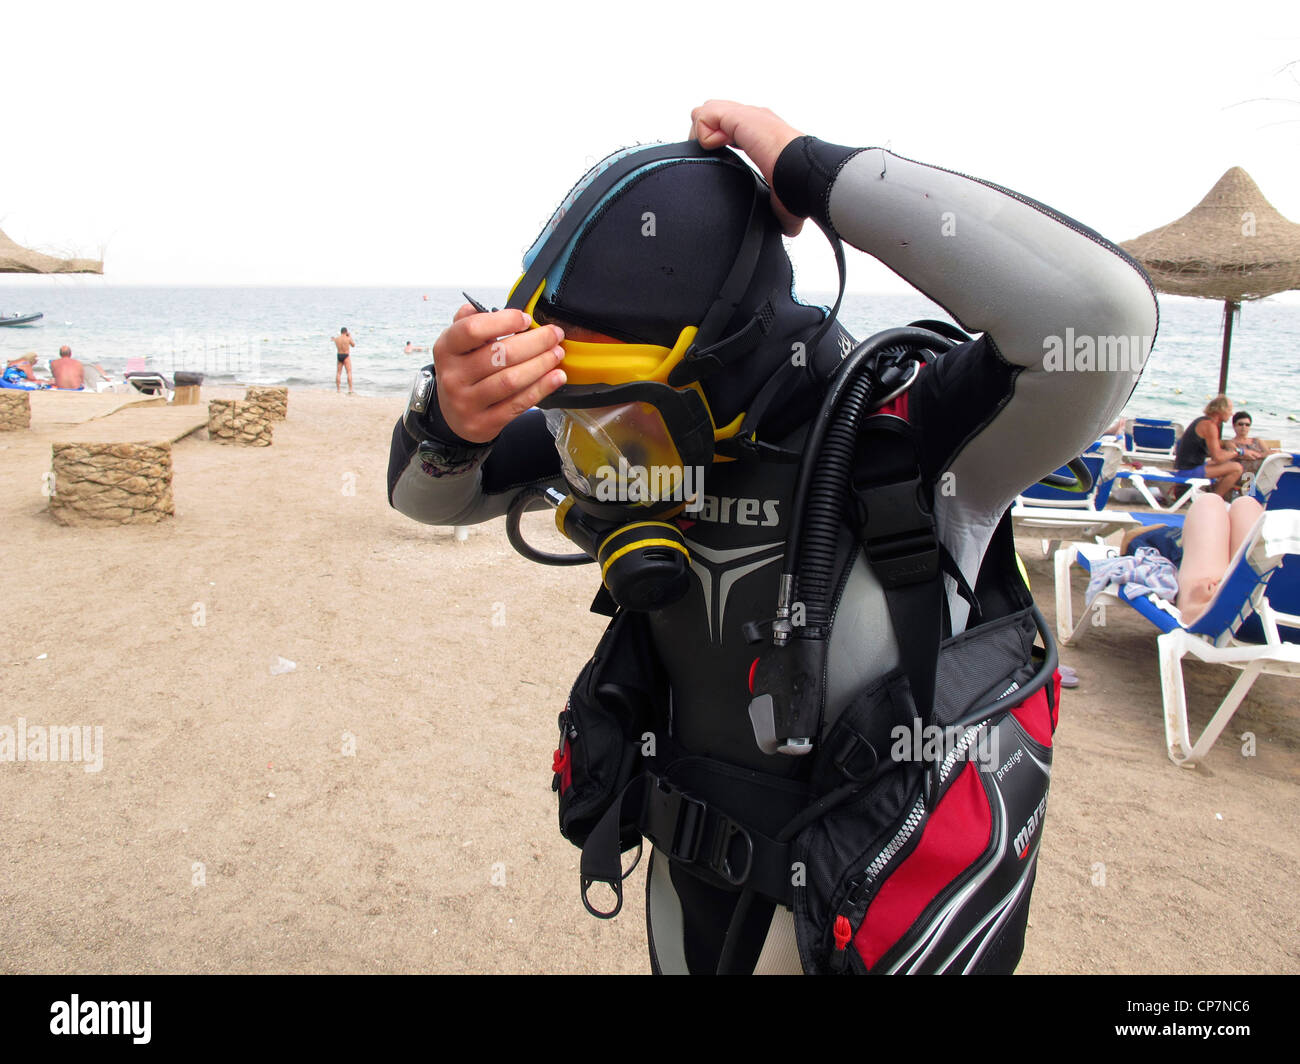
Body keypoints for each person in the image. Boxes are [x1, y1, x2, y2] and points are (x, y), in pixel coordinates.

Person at [387, 101, 1157, 974]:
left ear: (717, 355)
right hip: (687, 891)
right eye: (567, 406)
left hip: (857, 915)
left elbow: (1103, 319)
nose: (588, 448)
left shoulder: (910, 439)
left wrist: (810, 171)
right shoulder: (617, 429)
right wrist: (448, 418)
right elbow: (429, 501)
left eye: (609, 405)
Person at [1122, 493, 1265, 625]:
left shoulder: (1150, 541)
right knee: (1245, 504)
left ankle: (1195, 603)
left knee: (1209, 502)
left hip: (1220, 614)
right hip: (1271, 611)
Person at [1173, 395, 1242, 498]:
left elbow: (1216, 453)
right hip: (1188, 471)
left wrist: (1229, 449)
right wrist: (1239, 452)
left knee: (1228, 465)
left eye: (1247, 425)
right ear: (1221, 410)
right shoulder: (1209, 425)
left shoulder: (1202, 421)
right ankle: (1214, 499)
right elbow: (1218, 457)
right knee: (1237, 468)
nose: (1231, 413)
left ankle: (1211, 496)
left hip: (1186, 467)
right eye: (1229, 410)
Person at [334, 327, 355, 393]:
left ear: (341, 332)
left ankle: (338, 389)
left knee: (338, 373)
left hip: (339, 355)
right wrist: (350, 336)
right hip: (346, 355)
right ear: (346, 332)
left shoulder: (337, 339)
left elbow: (336, 344)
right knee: (348, 372)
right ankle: (350, 389)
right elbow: (353, 345)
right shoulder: (348, 338)